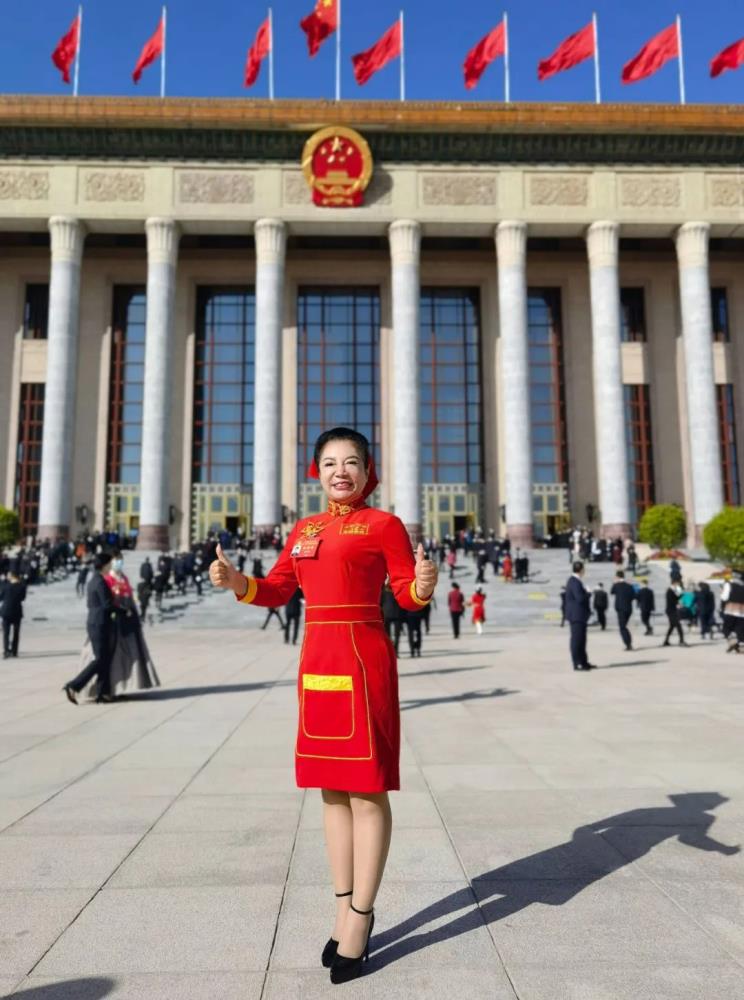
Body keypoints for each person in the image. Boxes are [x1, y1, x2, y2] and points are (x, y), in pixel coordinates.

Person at [209, 426, 438, 984]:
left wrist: (424, 585)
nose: (341, 471)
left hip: (363, 661)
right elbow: (278, 589)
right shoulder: (305, 528)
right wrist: (237, 581)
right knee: (331, 791)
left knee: (367, 792)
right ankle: (342, 909)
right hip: (317, 664)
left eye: (351, 462)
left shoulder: (383, 525)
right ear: (317, 472)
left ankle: (360, 917)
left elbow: (405, 594)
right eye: (330, 462)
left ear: (367, 471)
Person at [78, 553, 160, 699]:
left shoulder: (124, 578)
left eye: (120, 560)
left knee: (124, 657)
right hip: (110, 622)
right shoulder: (105, 579)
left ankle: (114, 689)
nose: (118, 563)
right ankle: (98, 689)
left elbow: (128, 597)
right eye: (116, 561)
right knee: (105, 658)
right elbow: (107, 603)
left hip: (127, 622)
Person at [64, 552, 116, 704]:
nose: (112, 566)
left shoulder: (94, 580)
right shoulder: (100, 582)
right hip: (99, 623)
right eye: (110, 563)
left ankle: (102, 693)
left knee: (104, 659)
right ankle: (74, 685)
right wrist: (124, 610)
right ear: (105, 565)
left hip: (96, 622)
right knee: (100, 659)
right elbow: (107, 605)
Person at [565, 561, 595, 671]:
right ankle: (577, 663)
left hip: (579, 615)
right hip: (576, 615)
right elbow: (580, 598)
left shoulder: (575, 581)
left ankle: (583, 662)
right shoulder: (574, 582)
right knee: (577, 640)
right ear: (581, 570)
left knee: (582, 640)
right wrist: (588, 593)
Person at [1, 571, 26, 659]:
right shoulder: (22, 586)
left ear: (12, 576)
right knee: (16, 632)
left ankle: (6, 651)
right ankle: (14, 651)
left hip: (6, 611)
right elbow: (23, 598)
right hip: (17, 611)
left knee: (6, 633)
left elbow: (1, 596)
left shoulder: (6, 586)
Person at [610, 570, 636, 651]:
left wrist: (614, 583)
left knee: (622, 627)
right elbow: (634, 596)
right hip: (628, 608)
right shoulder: (629, 585)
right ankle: (629, 642)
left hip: (621, 609)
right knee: (624, 626)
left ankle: (628, 644)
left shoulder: (616, 585)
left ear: (617, 577)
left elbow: (612, 592)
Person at [721, 571, 744, 653]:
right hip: (742, 611)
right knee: (740, 629)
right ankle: (741, 646)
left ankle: (732, 641)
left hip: (731, 609)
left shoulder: (729, 585)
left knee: (726, 628)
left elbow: (724, 597)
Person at [662, 581, 689, 647]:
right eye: (678, 585)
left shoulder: (671, 590)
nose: (678, 586)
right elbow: (674, 599)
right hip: (671, 611)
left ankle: (666, 641)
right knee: (678, 626)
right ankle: (681, 641)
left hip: (672, 611)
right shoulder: (670, 591)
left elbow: (676, 598)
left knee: (671, 627)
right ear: (674, 583)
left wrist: (680, 593)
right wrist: (680, 593)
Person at [381, 583, 405, 654]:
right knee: (397, 635)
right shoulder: (397, 591)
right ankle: (395, 651)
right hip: (397, 614)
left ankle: (391, 651)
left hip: (387, 615)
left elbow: (380, 603)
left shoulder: (383, 592)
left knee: (388, 635)